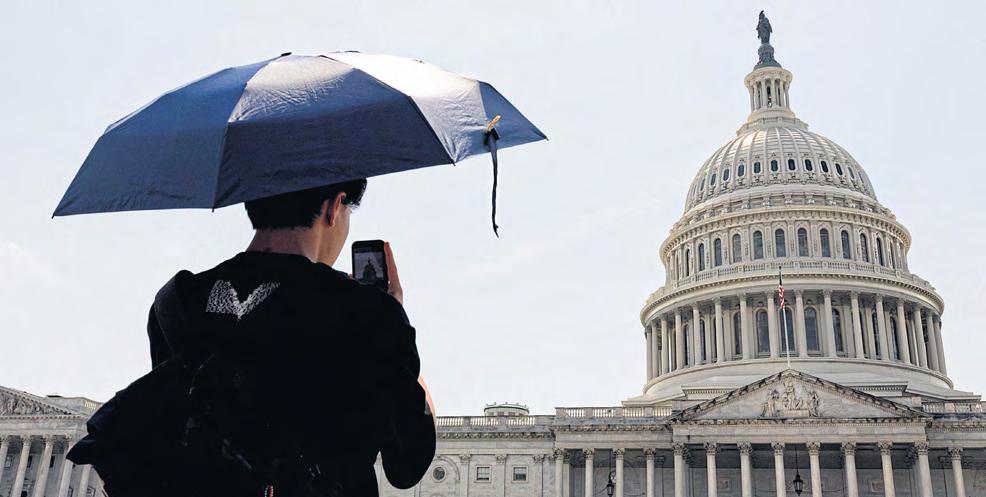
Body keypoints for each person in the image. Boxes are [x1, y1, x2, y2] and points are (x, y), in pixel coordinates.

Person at [144, 179, 437, 496]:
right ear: (333, 207)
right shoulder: (366, 312)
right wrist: (399, 331)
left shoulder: (178, 299)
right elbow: (407, 463)